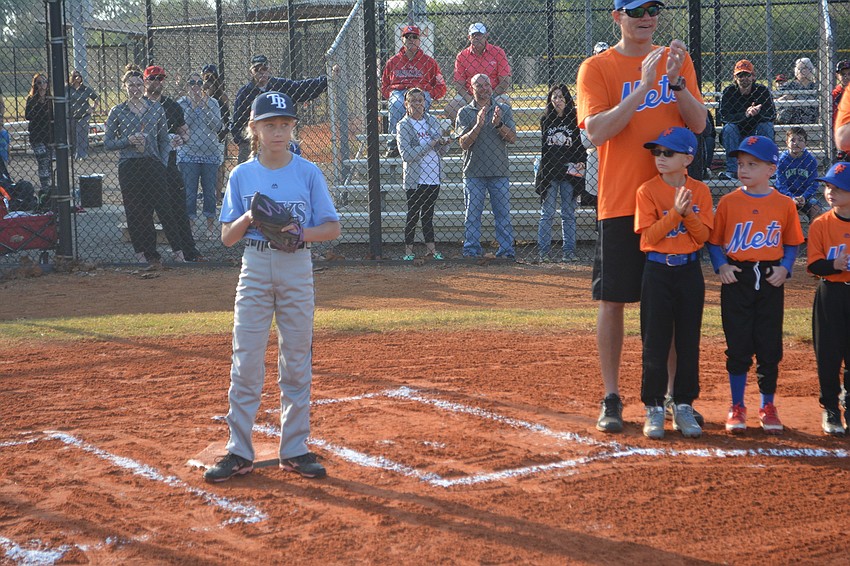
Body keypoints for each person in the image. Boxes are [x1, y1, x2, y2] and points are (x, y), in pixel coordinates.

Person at [576, 0, 706, 433]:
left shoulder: (678, 60)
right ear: (618, 18)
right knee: (613, 301)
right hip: (620, 202)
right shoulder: (597, 67)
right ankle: (611, 396)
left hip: (673, 202)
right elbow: (595, 132)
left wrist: (677, 83)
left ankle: (673, 397)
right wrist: (644, 85)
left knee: (667, 303)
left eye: (653, 9)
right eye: (636, 11)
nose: (646, 18)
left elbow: (700, 124)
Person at [203, 91, 341, 483]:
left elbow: (332, 227)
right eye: (269, 125)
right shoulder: (242, 175)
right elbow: (228, 238)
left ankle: (294, 449)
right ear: (255, 129)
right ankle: (238, 451)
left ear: (292, 127)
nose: (278, 131)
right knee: (245, 360)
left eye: (284, 124)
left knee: (296, 360)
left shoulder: (308, 172)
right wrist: (250, 214)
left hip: (297, 265)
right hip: (255, 265)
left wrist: (301, 234)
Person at [706, 136, 805, 435]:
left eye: (752, 164)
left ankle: (768, 405)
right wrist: (721, 265)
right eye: (740, 164)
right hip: (738, 277)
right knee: (737, 344)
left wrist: (786, 268)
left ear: (771, 169)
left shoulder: (784, 204)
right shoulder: (729, 202)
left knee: (768, 344)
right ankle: (737, 405)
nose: (743, 169)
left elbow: (792, 244)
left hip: (771, 279)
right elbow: (713, 243)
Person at [634, 127, 713, 439]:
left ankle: (682, 404)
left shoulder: (701, 191)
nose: (660, 158)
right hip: (657, 272)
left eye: (669, 153)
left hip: (689, 272)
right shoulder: (647, 191)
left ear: (688, 158)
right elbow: (648, 238)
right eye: (657, 152)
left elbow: (703, 236)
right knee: (655, 341)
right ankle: (654, 406)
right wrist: (675, 214)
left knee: (688, 342)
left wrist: (686, 214)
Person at [104, 65, 185, 266]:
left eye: (139, 84)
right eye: (131, 85)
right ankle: (143, 253)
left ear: (144, 85)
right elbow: (107, 143)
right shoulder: (118, 111)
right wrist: (128, 140)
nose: (135, 88)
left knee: (164, 207)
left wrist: (162, 161)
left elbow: (164, 140)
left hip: (152, 163)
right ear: (124, 87)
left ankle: (178, 251)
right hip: (129, 164)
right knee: (135, 210)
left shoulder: (155, 108)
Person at [144, 64, 206, 262]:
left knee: (178, 206)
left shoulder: (172, 106)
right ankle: (149, 253)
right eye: (153, 78)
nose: (156, 82)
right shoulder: (139, 105)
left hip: (169, 162)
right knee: (145, 210)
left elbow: (184, 130)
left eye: (160, 78)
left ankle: (188, 250)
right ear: (145, 80)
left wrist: (182, 139)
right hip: (145, 162)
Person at [806, 162, 850, 435]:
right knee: (828, 354)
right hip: (830, 293)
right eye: (828, 187)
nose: (830, 192)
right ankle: (831, 409)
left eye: (838, 187)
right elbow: (814, 265)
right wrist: (835, 265)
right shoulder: (821, 224)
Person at [455, 73, 517, 258]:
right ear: (471, 89)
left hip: (499, 171)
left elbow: (512, 138)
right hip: (474, 172)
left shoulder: (503, 109)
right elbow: (463, 144)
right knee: (472, 216)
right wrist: (479, 124)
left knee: (503, 216)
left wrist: (498, 125)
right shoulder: (465, 112)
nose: (485, 89)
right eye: (479, 86)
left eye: (487, 85)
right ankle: (471, 250)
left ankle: (506, 251)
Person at [231, 55, 329, 164]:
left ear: (269, 70)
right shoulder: (245, 92)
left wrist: (327, 79)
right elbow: (237, 122)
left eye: (264, 69)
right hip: (253, 140)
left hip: (278, 137)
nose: (261, 72)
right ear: (251, 72)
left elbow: (302, 88)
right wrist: (244, 141)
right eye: (257, 69)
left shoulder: (280, 85)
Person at [397, 88, 451, 260]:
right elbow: (407, 155)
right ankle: (408, 251)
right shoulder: (403, 125)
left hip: (433, 175)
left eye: (420, 101)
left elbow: (440, 150)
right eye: (413, 101)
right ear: (406, 104)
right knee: (413, 214)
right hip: (415, 178)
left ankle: (431, 249)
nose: (417, 104)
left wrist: (445, 142)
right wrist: (431, 143)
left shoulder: (432, 120)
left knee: (428, 214)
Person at [536, 84, 586, 262]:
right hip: (550, 172)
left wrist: (581, 161)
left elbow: (579, 145)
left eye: (561, 97)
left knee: (568, 214)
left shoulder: (574, 119)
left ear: (567, 99)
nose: (558, 100)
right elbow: (545, 149)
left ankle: (569, 251)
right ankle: (543, 252)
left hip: (569, 172)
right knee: (547, 213)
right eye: (554, 97)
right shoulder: (546, 120)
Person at [381, 24, 447, 158]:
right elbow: (384, 85)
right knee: (397, 104)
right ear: (403, 39)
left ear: (419, 40)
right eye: (407, 36)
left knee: (419, 102)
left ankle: (420, 140)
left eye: (414, 37)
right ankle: (393, 144)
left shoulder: (429, 62)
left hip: (421, 91)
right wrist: (391, 94)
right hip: (399, 92)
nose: (411, 39)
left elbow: (441, 85)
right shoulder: (392, 62)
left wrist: (430, 94)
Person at [177, 72, 223, 233]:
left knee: (209, 192)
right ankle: (190, 225)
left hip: (210, 153)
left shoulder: (213, 103)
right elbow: (183, 124)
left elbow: (217, 127)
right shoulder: (182, 103)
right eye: (192, 83)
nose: (196, 86)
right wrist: (193, 107)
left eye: (199, 83)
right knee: (190, 192)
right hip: (189, 153)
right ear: (187, 86)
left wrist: (206, 108)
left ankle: (210, 226)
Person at [718, 59, 776, 180]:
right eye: (740, 75)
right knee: (729, 128)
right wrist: (745, 114)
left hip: (757, 132)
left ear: (753, 76)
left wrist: (757, 113)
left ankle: (766, 168)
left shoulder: (762, 91)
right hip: (736, 133)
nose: (744, 78)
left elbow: (772, 114)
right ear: (735, 77)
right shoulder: (729, 92)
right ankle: (732, 170)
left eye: (747, 75)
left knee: (767, 126)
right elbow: (723, 116)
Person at [443, 23, 512, 124]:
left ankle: (497, 135)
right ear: (469, 37)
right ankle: (468, 134)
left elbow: (505, 81)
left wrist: (490, 98)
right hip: (470, 96)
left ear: (486, 36)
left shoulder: (498, 52)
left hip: (494, 95)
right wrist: (472, 101)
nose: (477, 38)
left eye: (480, 35)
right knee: (451, 108)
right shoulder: (462, 56)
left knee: (504, 103)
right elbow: (459, 84)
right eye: (473, 35)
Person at [775, 127, 822, 224]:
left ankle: (814, 237)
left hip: (806, 197)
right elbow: (780, 184)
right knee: (778, 207)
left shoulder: (810, 160)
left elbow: (814, 183)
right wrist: (791, 197)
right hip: (787, 196)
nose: (796, 143)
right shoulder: (782, 160)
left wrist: (804, 196)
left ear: (806, 143)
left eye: (800, 140)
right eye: (792, 140)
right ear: (786, 143)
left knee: (815, 208)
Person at [201, 64, 231, 202]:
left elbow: (227, 116)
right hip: (203, 134)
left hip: (218, 134)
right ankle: (212, 195)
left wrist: (222, 132)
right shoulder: (200, 96)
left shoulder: (221, 97)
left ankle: (218, 196)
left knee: (219, 165)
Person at [25, 73, 53, 200]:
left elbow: (53, 116)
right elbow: (28, 115)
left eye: (44, 82)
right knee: (42, 160)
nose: (42, 85)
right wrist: (39, 104)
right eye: (39, 83)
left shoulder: (51, 99)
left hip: (49, 135)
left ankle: (49, 187)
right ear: (35, 85)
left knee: (48, 162)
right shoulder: (31, 99)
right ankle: (45, 188)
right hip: (37, 136)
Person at [67, 69, 98, 160]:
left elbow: (95, 98)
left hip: (84, 115)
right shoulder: (68, 89)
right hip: (71, 115)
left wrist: (92, 108)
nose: (77, 78)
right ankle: (73, 154)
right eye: (75, 76)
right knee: (72, 135)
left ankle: (82, 154)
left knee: (82, 135)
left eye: (79, 76)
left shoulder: (85, 89)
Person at [777, 57, 818, 125]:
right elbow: (775, 102)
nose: (803, 71)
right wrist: (785, 98)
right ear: (796, 71)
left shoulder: (815, 87)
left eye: (806, 68)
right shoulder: (788, 86)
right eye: (800, 68)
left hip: (812, 123)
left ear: (811, 70)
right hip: (790, 123)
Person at [832, 61, 850, 161]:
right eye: (843, 74)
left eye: (849, 73)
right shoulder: (834, 94)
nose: (846, 77)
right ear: (837, 76)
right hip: (838, 133)